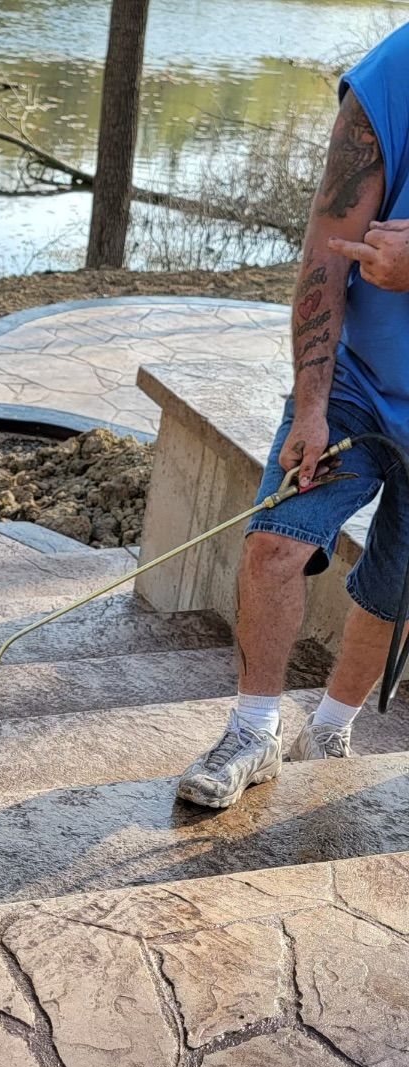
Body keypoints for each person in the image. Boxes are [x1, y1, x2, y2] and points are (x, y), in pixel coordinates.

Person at [178, 21, 409, 810]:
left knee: (394, 588)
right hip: (358, 378)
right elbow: (326, 253)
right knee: (277, 540)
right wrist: (311, 406)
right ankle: (253, 731)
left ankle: (332, 730)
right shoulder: (392, 75)